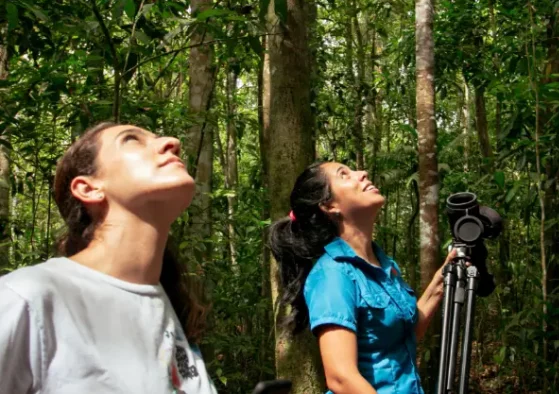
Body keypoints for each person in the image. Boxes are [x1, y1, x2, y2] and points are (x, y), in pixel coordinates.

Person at [0, 122, 218, 394]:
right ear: (89, 189)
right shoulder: (27, 297)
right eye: (131, 140)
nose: (172, 142)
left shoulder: (169, 307)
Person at [270, 162, 458, 394]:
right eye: (344, 175)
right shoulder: (332, 274)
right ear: (329, 205)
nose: (363, 173)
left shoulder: (384, 265)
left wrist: (442, 281)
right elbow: (341, 378)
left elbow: (403, 332)